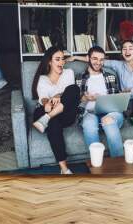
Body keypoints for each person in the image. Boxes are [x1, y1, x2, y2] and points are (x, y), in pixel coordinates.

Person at [32, 46, 81, 175]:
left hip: (65, 114)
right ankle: (64, 169)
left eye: (63, 59)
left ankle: (46, 119)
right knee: (53, 123)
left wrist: (58, 96)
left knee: (74, 89)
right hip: (46, 110)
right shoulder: (42, 79)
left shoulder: (68, 73)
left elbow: (69, 93)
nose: (61, 62)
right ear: (49, 61)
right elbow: (43, 100)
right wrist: (47, 103)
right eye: (57, 59)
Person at [78, 46, 124, 157]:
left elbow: (117, 100)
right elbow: (76, 102)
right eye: (95, 58)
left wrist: (119, 96)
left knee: (108, 120)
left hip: (111, 113)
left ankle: (119, 163)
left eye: (101, 60)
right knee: (88, 124)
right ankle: (98, 162)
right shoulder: (79, 78)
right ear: (88, 58)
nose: (98, 62)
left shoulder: (111, 77)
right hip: (89, 113)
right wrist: (85, 98)